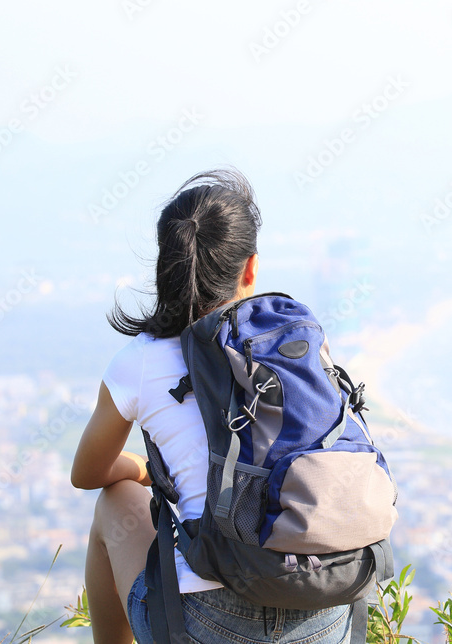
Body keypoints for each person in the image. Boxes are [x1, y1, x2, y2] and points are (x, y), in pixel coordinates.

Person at [70, 169, 353, 644]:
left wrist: (143, 470)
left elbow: (87, 473)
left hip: (211, 625)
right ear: (250, 269)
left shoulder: (138, 362)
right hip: (325, 610)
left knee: (114, 502)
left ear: (167, 268)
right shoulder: (300, 347)